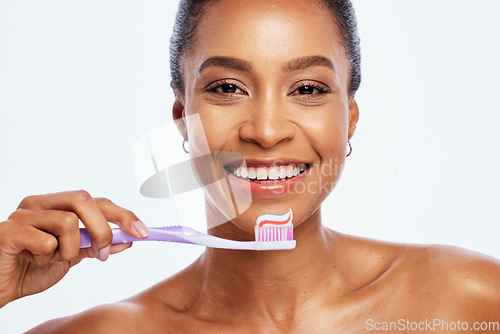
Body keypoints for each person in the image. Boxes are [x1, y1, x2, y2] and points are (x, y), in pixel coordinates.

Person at [1, 0, 499, 332]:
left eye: (307, 89)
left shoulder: (468, 303)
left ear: (348, 118)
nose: (264, 130)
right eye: (227, 88)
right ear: (182, 117)